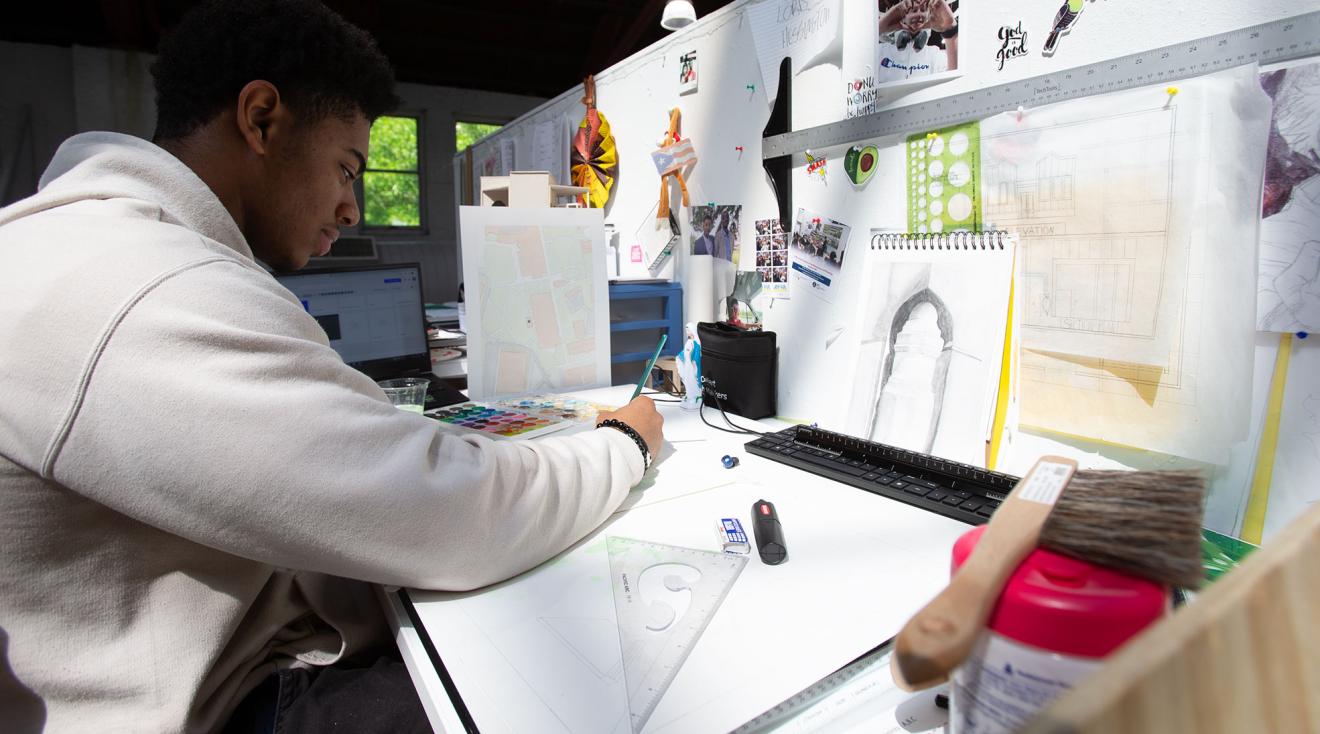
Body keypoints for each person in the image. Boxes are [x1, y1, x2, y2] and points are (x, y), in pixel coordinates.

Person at [0, 1, 662, 733]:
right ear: (260, 119)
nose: (351, 210)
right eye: (346, 169)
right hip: (220, 707)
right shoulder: (136, 285)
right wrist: (625, 445)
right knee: (564, 694)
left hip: (224, 654)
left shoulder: (98, 244)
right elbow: (447, 511)